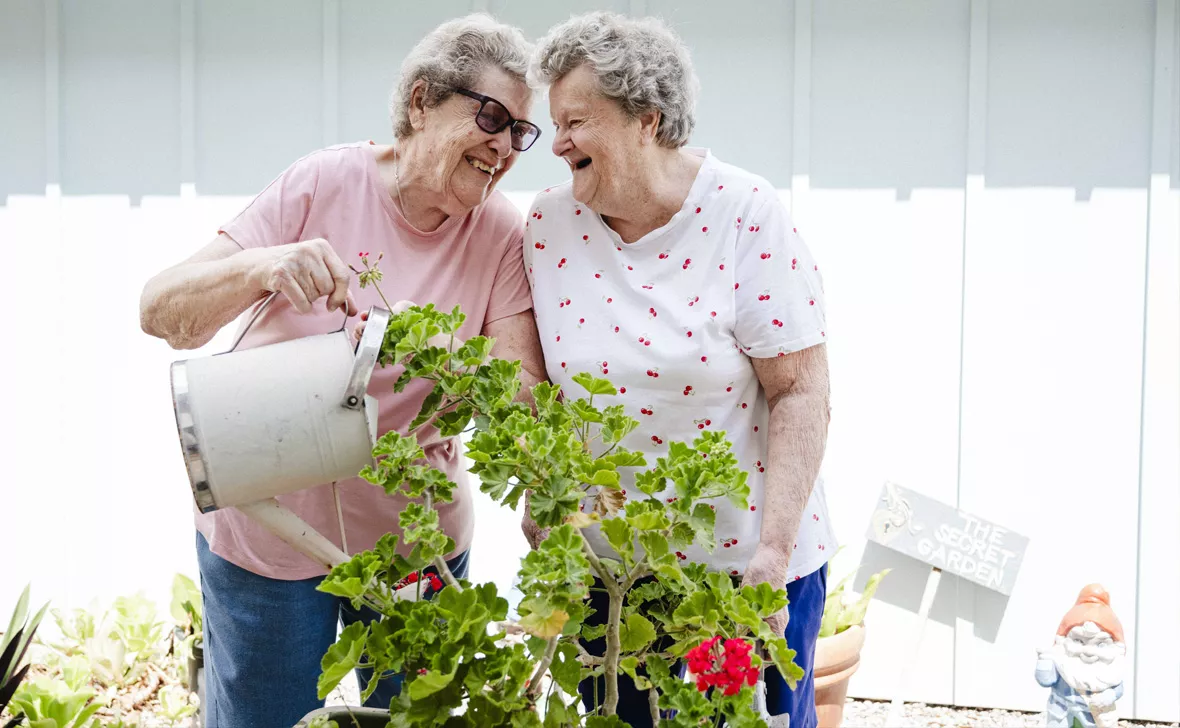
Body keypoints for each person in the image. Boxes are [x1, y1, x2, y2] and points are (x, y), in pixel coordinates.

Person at [139, 14, 546, 727]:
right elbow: (162, 310)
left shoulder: (503, 233)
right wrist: (264, 264)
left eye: (521, 132)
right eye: (491, 117)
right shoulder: (323, 182)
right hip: (270, 531)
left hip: (413, 546)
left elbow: (521, 396)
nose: (505, 145)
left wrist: (454, 367)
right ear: (422, 102)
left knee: (418, 721)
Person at [522, 12, 835, 728]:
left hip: (746, 566)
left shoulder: (745, 213)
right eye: (554, 124)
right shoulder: (548, 225)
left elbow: (801, 391)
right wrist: (542, 498)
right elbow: (534, 384)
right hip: (614, 576)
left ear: (646, 121)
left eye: (575, 121)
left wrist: (773, 554)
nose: (558, 143)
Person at [1035, 584, 1127, 728]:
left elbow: (1118, 689)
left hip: (1093, 716)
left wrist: (1107, 697)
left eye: (1100, 644)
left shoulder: (1111, 669)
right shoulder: (1062, 661)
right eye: (1078, 641)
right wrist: (1044, 661)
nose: (1088, 651)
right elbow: (1046, 680)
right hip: (1061, 712)